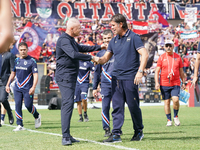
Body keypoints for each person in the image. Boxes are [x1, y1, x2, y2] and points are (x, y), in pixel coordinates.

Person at [96, 14, 149, 143]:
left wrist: (140, 72)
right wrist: (93, 58)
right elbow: (104, 59)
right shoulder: (113, 41)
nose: (112, 28)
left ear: (121, 24)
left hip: (131, 78)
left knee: (133, 106)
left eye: (113, 25)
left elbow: (145, 54)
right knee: (117, 108)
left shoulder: (134, 37)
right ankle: (116, 134)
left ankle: (138, 131)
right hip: (116, 80)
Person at [55, 18, 107, 146]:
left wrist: (99, 46)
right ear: (72, 29)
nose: (81, 30)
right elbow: (73, 54)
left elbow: (81, 47)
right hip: (65, 76)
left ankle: (67, 135)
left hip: (70, 76)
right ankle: (65, 137)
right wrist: (91, 57)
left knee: (69, 104)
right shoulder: (64, 40)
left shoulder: (71, 40)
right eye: (79, 28)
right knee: (67, 104)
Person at [6, 42, 41, 131]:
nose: (23, 51)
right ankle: (20, 124)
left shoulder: (32, 61)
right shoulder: (16, 61)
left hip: (28, 88)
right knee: (17, 105)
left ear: (27, 50)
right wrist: (8, 85)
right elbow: (13, 73)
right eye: (21, 50)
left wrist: (33, 87)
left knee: (28, 106)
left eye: (24, 50)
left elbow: (35, 75)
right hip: (17, 87)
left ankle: (37, 116)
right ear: (19, 50)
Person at [154, 40, 185, 127]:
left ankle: (175, 116)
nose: (168, 47)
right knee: (166, 102)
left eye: (170, 46)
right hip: (164, 83)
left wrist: (183, 82)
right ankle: (169, 120)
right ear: (164, 47)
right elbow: (157, 71)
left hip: (175, 83)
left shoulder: (178, 57)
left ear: (173, 46)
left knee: (175, 100)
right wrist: (156, 82)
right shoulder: (161, 57)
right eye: (166, 46)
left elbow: (181, 71)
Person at [93, 29, 114, 137]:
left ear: (113, 37)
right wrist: (94, 87)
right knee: (105, 106)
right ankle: (106, 128)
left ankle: (117, 128)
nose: (107, 40)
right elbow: (97, 72)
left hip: (117, 83)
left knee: (117, 107)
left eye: (109, 38)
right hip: (105, 85)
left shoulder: (118, 49)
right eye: (105, 38)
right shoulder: (100, 53)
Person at [0, 51, 15, 126]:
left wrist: (8, 83)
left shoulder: (9, 55)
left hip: (4, 81)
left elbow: (13, 71)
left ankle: (9, 113)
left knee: (3, 99)